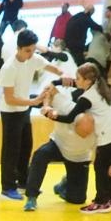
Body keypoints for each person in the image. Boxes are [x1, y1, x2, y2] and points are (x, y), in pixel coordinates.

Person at [44, 61, 111, 212]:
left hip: (110, 135)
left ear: (87, 80)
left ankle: (101, 202)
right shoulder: (99, 85)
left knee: (101, 166)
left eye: (78, 78)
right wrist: (57, 82)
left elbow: (70, 118)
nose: (75, 80)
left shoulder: (86, 98)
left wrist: (50, 114)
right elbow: (76, 84)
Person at [0, 30, 64, 201]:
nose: (31, 53)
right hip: (10, 112)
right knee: (11, 151)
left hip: (23, 109)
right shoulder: (9, 68)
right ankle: (7, 187)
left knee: (25, 146)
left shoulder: (33, 58)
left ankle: (23, 182)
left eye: (33, 50)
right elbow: (10, 99)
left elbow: (53, 68)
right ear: (19, 48)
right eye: (27, 50)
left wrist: (64, 75)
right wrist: (33, 102)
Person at [23, 83, 97, 211]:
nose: (84, 136)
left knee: (77, 199)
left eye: (87, 133)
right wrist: (46, 105)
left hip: (79, 157)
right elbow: (50, 89)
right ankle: (31, 197)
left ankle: (65, 183)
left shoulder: (99, 127)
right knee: (40, 154)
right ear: (75, 124)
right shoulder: (66, 107)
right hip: (58, 145)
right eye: (81, 132)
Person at [84, 7, 111, 76]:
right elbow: (102, 32)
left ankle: (105, 76)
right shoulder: (105, 22)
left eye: (107, 11)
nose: (105, 13)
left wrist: (108, 36)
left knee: (108, 61)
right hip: (103, 45)